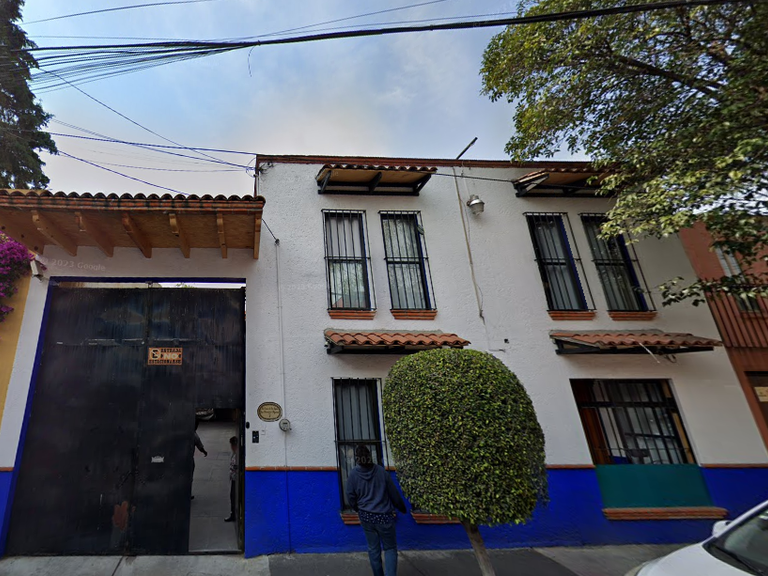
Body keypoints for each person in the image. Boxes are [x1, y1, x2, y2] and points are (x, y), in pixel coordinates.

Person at [346, 445, 407, 576]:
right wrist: (402, 508)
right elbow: (394, 494)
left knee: (373, 549)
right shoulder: (381, 472)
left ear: (357, 459)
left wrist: (357, 509)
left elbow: (350, 496)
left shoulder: (353, 475)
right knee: (390, 548)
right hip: (384, 517)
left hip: (366, 517)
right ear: (370, 456)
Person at [191, 421, 208, 499]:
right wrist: (204, 452)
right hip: (189, 460)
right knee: (189, 477)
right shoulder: (194, 435)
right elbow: (200, 446)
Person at [225, 436, 238, 522]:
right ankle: (233, 514)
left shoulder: (237, 455)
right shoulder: (235, 454)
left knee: (233, 497)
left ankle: (233, 514)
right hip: (234, 478)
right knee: (232, 496)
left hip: (236, 479)